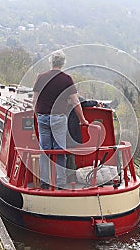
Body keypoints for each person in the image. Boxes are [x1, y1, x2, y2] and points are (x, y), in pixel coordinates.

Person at [32, 50, 89, 189]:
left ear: (51, 62)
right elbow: (76, 102)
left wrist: (37, 115)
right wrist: (82, 120)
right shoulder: (66, 79)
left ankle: (44, 182)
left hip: (43, 118)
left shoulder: (41, 77)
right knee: (60, 150)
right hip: (58, 118)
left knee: (45, 150)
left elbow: (34, 100)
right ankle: (61, 182)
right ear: (63, 63)